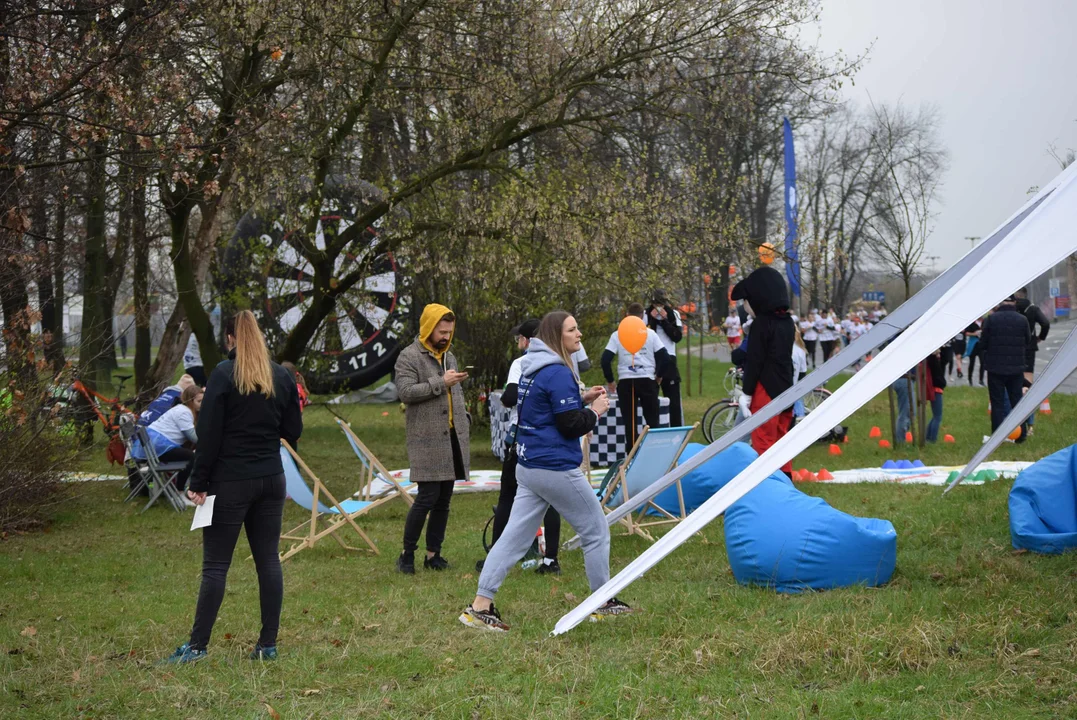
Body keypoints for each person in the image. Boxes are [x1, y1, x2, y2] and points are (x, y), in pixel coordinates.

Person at [459, 311, 631, 632]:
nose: (579, 334)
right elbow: (569, 426)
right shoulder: (558, 371)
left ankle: (480, 607)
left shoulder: (532, 366)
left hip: (527, 466)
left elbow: (543, 406)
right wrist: (594, 411)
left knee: (512, 539)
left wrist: (580, 397)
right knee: (595, 530)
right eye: (572, 329)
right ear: (556, 337)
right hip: (554, 467)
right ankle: (601, 602)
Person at [163, 310, 303, 665]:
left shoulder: (225, 375)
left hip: (230, 482)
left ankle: (196, 647)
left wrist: (199, 482)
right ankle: (267, 644)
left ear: (230, 339)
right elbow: (294, 430)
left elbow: (208, 435)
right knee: (269, 561)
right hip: (272, 479)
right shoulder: (281, 376)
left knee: (215, 566)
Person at [480, 318, 562, 576]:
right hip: (552, 437)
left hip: (524, 436)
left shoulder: (521, 363)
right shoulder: (560, 361)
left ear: (527, 340)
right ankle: (551, 560)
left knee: (507, 496)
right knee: (551, 499)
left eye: (519, 339)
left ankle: (496, 553)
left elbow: (509, 397)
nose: (518, 343)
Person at [394, 304, 470, 574]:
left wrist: (464, 418)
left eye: (450, 332)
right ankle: (406, 554)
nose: (446, 337)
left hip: (451, 437)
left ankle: (433, 554)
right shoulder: (409, 356)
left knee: (444, 499)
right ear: (428, 327)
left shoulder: (450, 356)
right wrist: (441, 382)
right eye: (442, 331)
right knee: (427, 496)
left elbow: (454, 394)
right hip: (425, 439)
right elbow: (405, 392)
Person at [731, 267, 795, 475]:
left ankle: (765, 484)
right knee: (781, 439)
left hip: (764, 388)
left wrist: (747, 392)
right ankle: (785, 479)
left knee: (763, 439)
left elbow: (755, 361)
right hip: (786, 385)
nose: (746, 308)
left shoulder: (761, 324)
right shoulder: (788, 323)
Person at [601, 302, 670, 455]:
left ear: (626, 316)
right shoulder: (650, 334)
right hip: (647, 380)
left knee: (630, 424)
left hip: (626, 382)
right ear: (642, 317)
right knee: (653, 422)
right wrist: (658, 376)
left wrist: (610, 380)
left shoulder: (617, 334)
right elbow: (665, 358)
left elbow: (605, 360)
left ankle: (631, 458)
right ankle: (654, 456)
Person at [133, 384, 204, 489]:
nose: (202, 404)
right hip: (159, 447)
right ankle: (180, 490)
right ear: (190, 401)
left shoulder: (180, 408)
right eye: (199, 401)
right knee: (192, 457)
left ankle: (178, 487)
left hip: (153, 445)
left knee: (188, 454)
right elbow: (194, 438)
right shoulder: (184, 412)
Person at [980, 295, 1031, 434]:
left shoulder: (991, 319)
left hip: (995, 368)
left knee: (997, 404)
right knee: (1017, 403)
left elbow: (983, 343)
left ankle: (997, 435)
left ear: (1000, 303)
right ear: (1014, 303)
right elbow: (1027, 341)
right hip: (1016, 368)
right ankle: (1022, 434)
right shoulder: (1022, 319)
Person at [1014, 287, 1050, 433]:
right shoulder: (1033, 309)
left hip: (1014, 349)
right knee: (1028, 384)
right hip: (1029, 348)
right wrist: (1040, 337)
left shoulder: (1012, 309)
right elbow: (1045, 323)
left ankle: (1015, 423)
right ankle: (1030, 426)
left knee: (1014, 383)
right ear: (1026, 295)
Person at [646, 291, 684, 426]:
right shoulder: (645, 315)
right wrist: (652, 320)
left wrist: (664, 321)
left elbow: (677, 337)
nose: (658, 308)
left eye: (661, 304)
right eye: (656, 304)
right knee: (651, 400)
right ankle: (653, 429)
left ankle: (676, 430)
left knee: (673, 401)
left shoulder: (674, 314)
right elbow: (644, 336)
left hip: (669, 359)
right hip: (651, 359)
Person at [925, 348, 946, 443]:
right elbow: (938, 377)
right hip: (936, 389)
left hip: (935, 389)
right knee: (938, 416)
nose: (940, 351)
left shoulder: (931, 360)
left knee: (935, 416)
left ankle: (928, 436)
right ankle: (932, 438)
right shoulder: (933, 361)